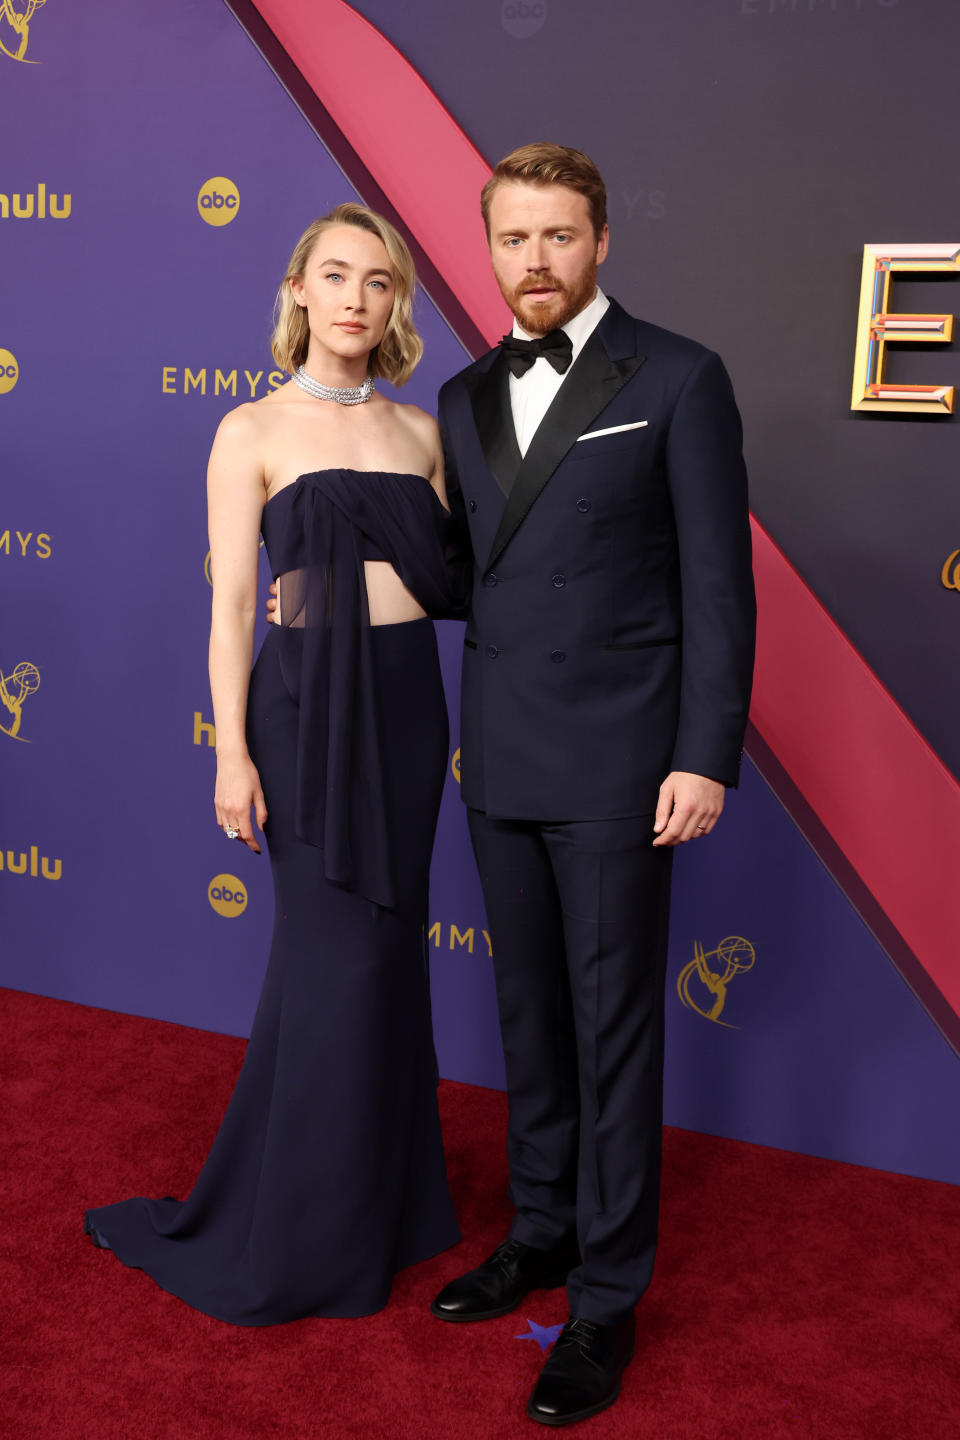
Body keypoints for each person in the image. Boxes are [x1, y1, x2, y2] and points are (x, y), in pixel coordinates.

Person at [84, 203, 464, 1324]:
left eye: (379, 282)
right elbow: (235, 607)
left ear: (397, 303)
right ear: (298, 289)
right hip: (306, 713)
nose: (355, 297)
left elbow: (451, 583)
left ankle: (391, 1210)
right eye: (336, 275)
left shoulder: (422, 433)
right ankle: (302, 1228)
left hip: (407, 713)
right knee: (331, 961)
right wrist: (232, 755)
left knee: (390, 960)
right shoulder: (248, 430)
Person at [427, 144, 757, 1426]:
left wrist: (702, 751)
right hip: (500, 752)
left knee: (614, 1027)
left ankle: (608, 1300)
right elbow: (472, 574)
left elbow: (718, 588)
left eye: (560, 237)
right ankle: (544, 1231)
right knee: (530, 1019)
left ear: (602, 240)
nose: (536, 262)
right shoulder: (461, 394)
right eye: (515, 240)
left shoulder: (677, 376)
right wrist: (341, 562)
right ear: (491, 245)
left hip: (627, 760)